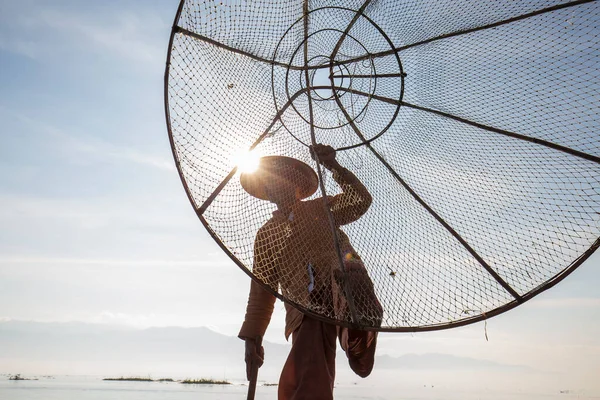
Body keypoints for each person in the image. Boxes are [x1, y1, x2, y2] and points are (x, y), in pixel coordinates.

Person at [238, 144, 383, 400]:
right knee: (309, 374)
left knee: (355, 312)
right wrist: (252, 338)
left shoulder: (322, 209)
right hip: (303, 311)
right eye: (271, 183)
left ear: (297, 186)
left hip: (340, 291)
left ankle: (359, 340)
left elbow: (361, 200)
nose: (278, 186)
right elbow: (262, 291)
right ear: (268, 191)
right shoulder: (267, 235)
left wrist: (333, 167)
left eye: (285, 180)